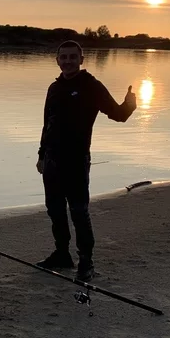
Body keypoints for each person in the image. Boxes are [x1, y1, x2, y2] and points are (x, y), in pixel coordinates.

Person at [36, 40, 136, 280]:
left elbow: (118, 114)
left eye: (73, 57)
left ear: (81, 60)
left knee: (79, 212)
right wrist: (41, 155)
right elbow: (46, 123)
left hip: (76, 161)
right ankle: (62, 255)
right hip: (51, 161)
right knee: (55, 211)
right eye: (64, 57)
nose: (68, 61)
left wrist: (130, 104)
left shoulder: (91, 86)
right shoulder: (54, 87)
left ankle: (86, 263)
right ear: (57, 60)